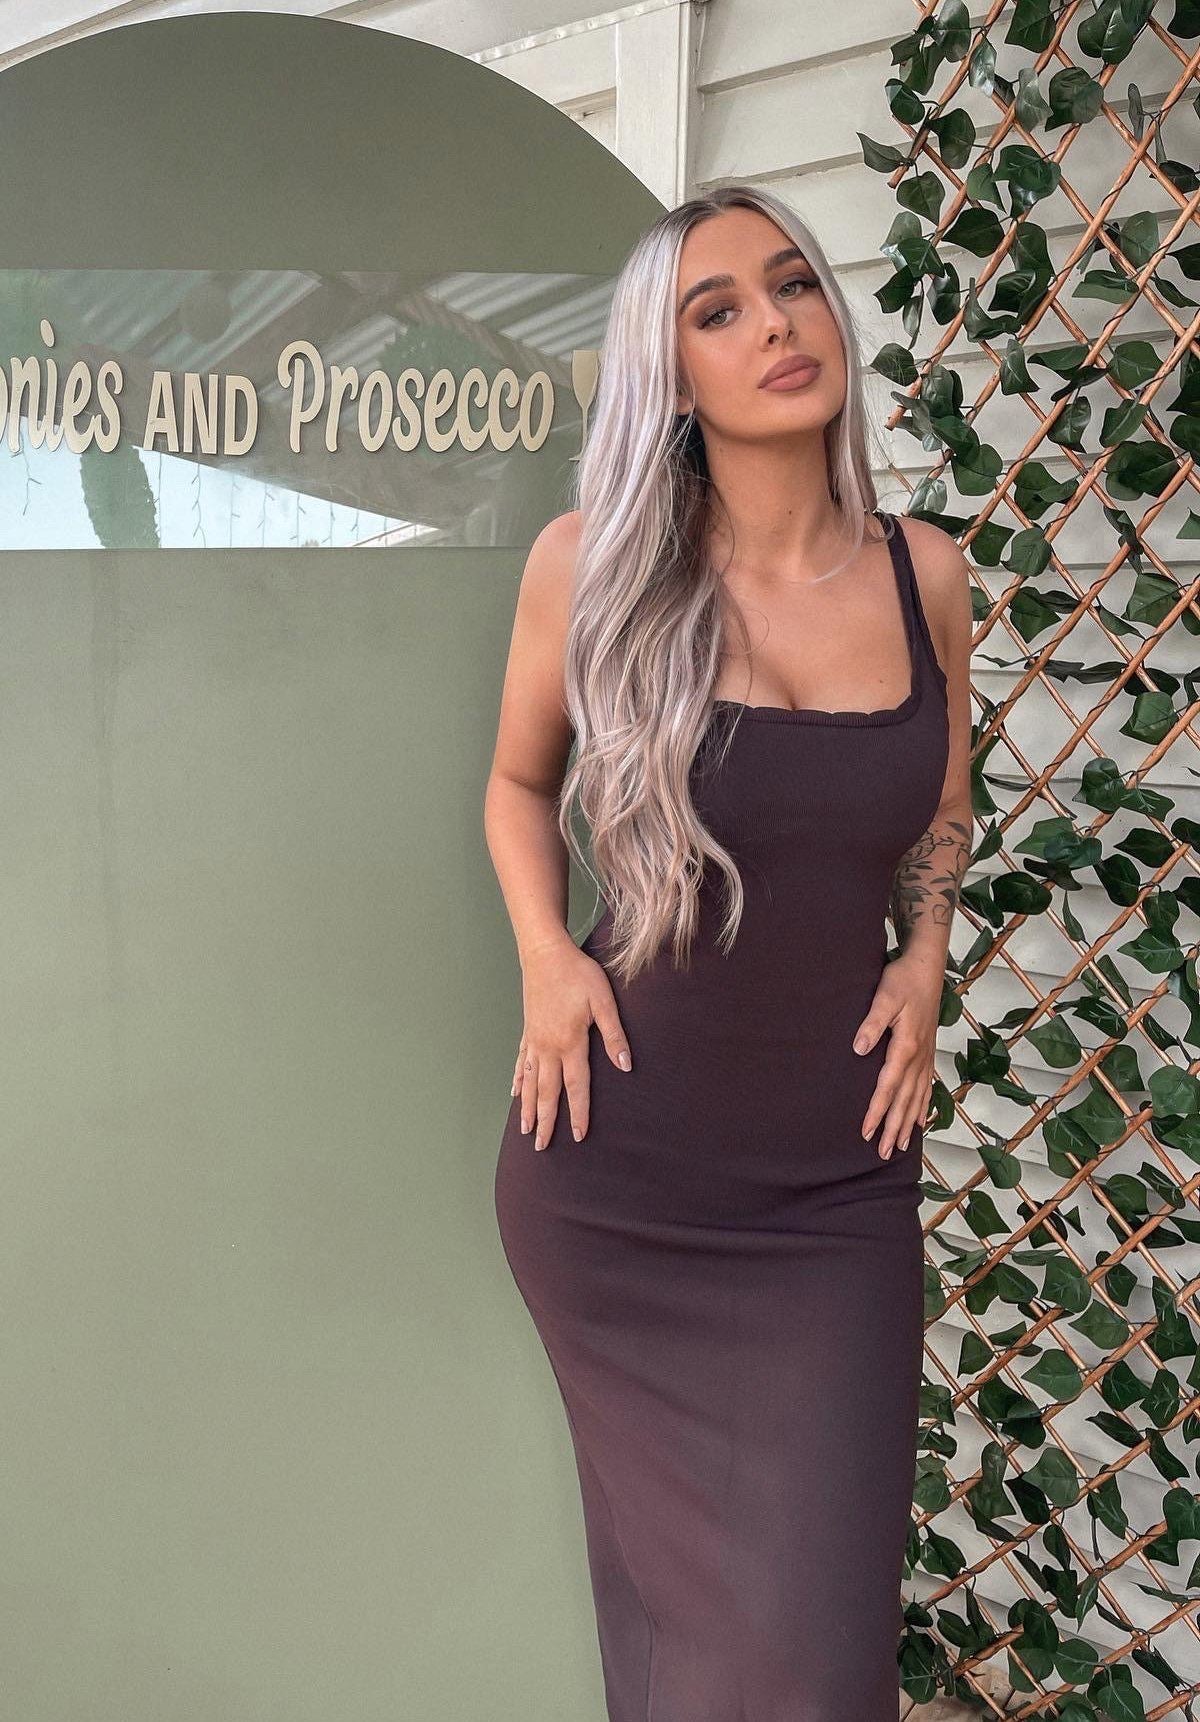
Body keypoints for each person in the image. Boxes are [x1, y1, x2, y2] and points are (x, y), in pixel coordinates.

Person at [484, 182, 973, 1722]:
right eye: (721, 310)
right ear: (672, 373)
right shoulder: (594, 566)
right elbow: (516, 785)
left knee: (812, 1662)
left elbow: (941, 808)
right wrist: (547, 956)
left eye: (794, 285)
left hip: (837, 1193)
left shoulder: (925, 575)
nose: (776, 324)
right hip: (619, 1180)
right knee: (699, 1645)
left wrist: (926, 953)